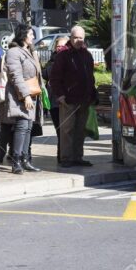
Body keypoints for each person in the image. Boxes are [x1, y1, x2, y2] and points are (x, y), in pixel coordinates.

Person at [0, 25, 42, 174]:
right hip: (19, 96)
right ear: (24, 36)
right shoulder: (13, 52)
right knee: (22, 127)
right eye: (31, 34)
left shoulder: (28, 51)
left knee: (28, 127)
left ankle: (25, 159)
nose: (33, 37)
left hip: (30, 94)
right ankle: (16, 160)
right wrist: (26, 95)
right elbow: (16, 76)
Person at [50, 25, 97, 168]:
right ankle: (66, 158)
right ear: (70, 37)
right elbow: (55, 77)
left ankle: (78, 157)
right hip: (68, 100)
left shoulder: (87, 55)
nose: (78, 40)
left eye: (81, 38)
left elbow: (90, 77)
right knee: (67, 130)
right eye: (75, 37)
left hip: (84, 99)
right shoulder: (63, 55)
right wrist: (61, 95)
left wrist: (93, 95)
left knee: (80, 130)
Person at [41, 35, 69, 163]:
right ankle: (61, 156)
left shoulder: (71, 59)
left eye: (63, 46)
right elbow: (45, 74)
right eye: (58, 46)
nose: (60, 48)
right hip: (54, 100)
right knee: (59, 129)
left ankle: (68, 155)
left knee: (67, 130)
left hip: (68, 100)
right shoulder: (53, 60)